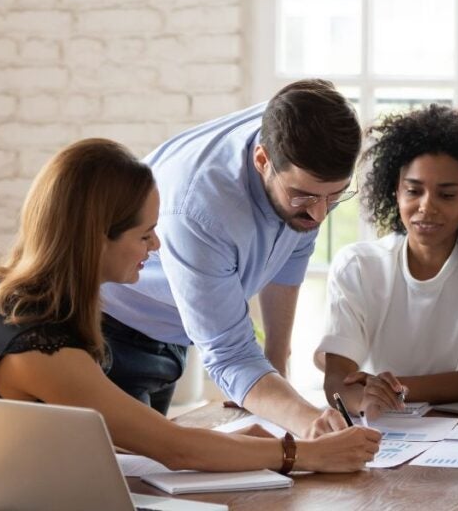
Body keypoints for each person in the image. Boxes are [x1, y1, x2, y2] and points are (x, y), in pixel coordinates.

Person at [0, 139, 381, 511]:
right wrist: (305, 453)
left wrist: (233, 445)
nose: (155, 247)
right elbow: (171, 447)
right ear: (95, 238)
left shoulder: (36, 296)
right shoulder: (38, 347)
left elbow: (122, 437)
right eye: (143, 234)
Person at [100, 79, 363, 437]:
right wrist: (309, 423)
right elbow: (230, 356)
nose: (319, 214)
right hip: (111, 333)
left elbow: (291, 251)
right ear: (262, 160)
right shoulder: (199, 209)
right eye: (304, 197)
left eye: (335, 196)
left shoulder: (301, 129)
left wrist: (274, 371)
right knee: (134, 473)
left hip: (174, 335)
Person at [316, 105, 458, 420]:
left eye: (446, 195)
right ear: (395, 190)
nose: (426, 207)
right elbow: (338, 382)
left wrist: (390, 388)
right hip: (397, 431)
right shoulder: (357, 265)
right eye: (413, 191)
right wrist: (365, 396)